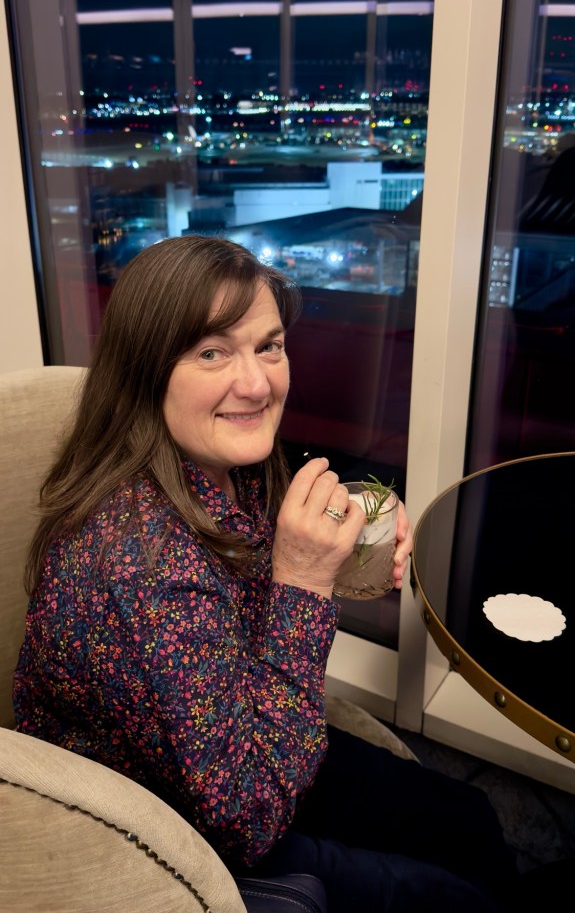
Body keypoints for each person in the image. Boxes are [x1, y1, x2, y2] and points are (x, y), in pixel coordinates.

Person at [13, 235, 519, 912]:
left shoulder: (220, 464)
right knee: (452, 896)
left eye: (269, 345)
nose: (257, 384)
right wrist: (304, 581)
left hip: (250, 722)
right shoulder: (138, 560)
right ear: (144, 371)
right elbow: (247, 819)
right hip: (174, 814)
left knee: (469, 817)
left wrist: (353, 530)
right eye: (211, 352)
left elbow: (257, 571)